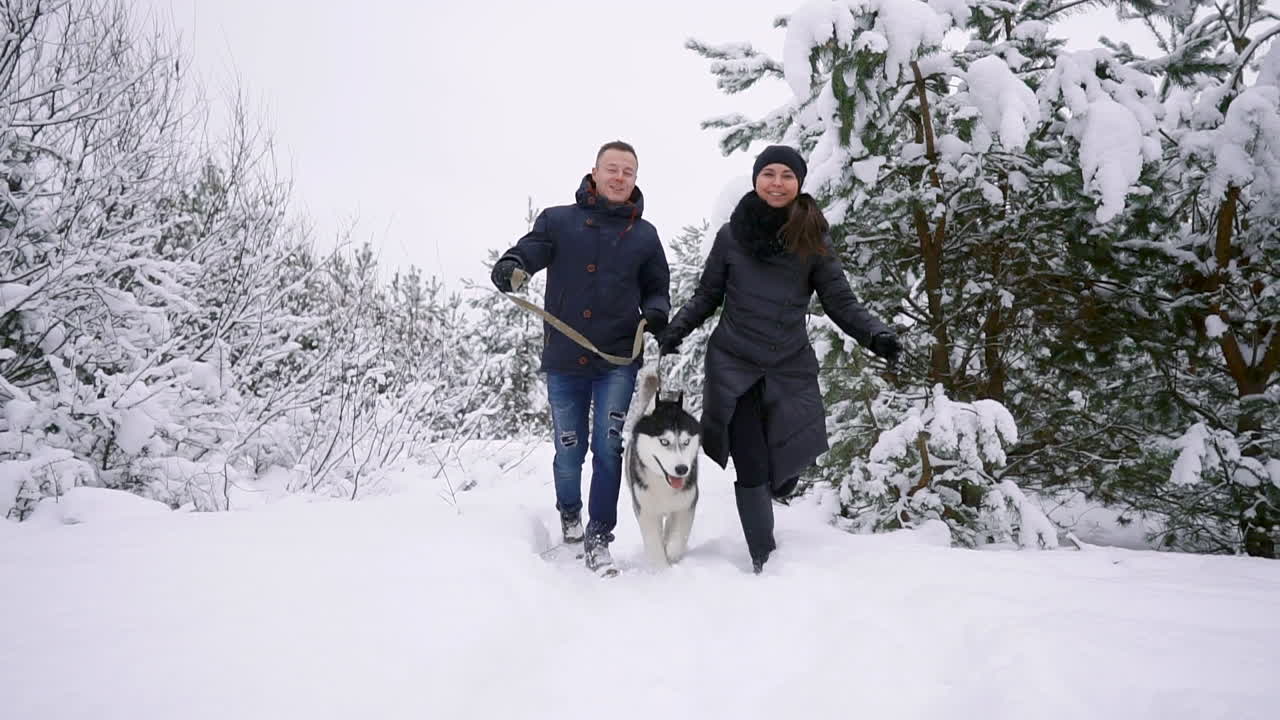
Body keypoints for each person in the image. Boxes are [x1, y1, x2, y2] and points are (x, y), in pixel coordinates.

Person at [655, 145, 900, 573]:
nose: (777, 182)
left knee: (789, 463)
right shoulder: (732, 236)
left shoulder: (813, 237)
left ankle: (778, 490)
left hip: (788, 363)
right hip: (735, 363)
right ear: (755, 180)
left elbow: (840, 301)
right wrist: (677, 328)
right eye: (769, 173)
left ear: (799, 183)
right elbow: (708, 295)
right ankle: (763, 556)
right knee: (751, 462)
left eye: (787, 175)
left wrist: (876, 335)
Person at [490, 141, 671, 576]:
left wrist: (658, 313)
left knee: (608, 447)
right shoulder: (558, 221)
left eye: (628, 171)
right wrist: (513, 264)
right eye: (612, 168)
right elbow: (531, 251)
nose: (620, 177)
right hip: (566, 356)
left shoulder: (644, 235)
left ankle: (598, 534)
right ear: (594, 171)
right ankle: (568, 510)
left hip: (617, 358)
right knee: (569, 448)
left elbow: (656, 287)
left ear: (635, 179)